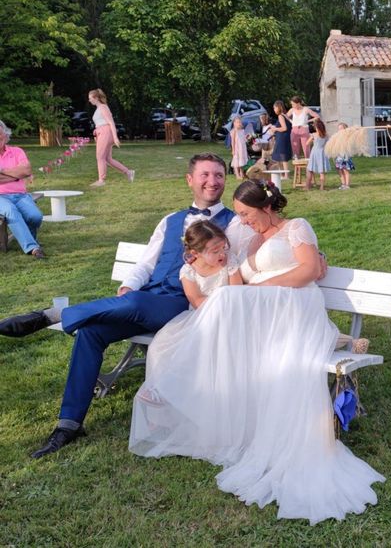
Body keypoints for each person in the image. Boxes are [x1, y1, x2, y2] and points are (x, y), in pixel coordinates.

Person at [129, 180, 383, 524]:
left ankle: (182, 387)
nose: (243, 220)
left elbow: (308, 270)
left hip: (295, 307)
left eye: (247, 213)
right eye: (240, 215)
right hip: (263, 315)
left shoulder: (296, 227)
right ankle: (191, 397)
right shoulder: (247, 237)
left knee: (225, 307)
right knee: (213, 317)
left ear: (266, 206)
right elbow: (227, 267)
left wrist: (265, 284)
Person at [0, 153, 250, 458]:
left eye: (219, 175)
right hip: (146, 300)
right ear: (190, 180)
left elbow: (243, 263)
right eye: (205, 175)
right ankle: (69, 424)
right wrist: (130, 283)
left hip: (185, 306)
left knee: (133, 302)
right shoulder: (171, 220)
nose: (213, 181)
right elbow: (146, 263)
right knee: (92, 331)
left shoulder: (235, 223)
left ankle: (52, 315)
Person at [0, 119, 45, 259]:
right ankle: (33, 248)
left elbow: (26, 170)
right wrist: (15, 175)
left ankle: (28, 240)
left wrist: (2, 170)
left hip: (20, 195)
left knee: (35, 216)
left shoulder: (17, 151)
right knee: (11, 211)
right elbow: (21, 173)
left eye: (0, 136)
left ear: (6, 136)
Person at [180, 221, 243, 309]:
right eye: (215, 251)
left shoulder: (229, 261)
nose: (222, 254)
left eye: (223, 247)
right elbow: (197, 302)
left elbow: (237, 291)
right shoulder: (188, 272)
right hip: (204, 313)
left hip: (231, 307)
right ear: (196, 253)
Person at [87, 88, 134, 188]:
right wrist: (96, 131)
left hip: (106, 133)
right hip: (102, 133)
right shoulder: (98, 108)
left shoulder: (103, 107)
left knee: (100, 157)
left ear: (96, 98)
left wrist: (115, 137)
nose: (89, 100)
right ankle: (128, 172)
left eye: (90, 98)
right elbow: (100, 123)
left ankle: (101, 180)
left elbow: (111, 122)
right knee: (107, 159)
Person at [246, 114, 275, 182]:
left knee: (268, 159)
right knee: (263, 158)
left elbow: (272, 136)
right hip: (265, 144)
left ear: (265, 119)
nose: (260, 121)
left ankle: (268, 169)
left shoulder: (270, 126)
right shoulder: (263, 127)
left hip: (269, 144)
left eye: (261, 119)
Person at [305, 118, 330, 190]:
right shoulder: (326, 135)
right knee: (321, 171)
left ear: (316, 127)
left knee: (310, 169)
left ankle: (308, 186)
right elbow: (327, 144)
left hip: (315, 153)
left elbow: (307, 144)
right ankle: (322, 187)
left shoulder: (314, 135)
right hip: (322, 153)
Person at [270, 100, 292, 172]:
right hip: (285, 137)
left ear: (278, 107)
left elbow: (284, 128)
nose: (274, 110)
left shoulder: (280, 116)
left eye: (274, 108)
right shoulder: (285, 115)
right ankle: (282, 173)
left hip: (282, 138)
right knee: (281, 156)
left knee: (282, 156)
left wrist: (275, 128)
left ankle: (285, 175)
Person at [334, 123, 355, 190]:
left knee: (345, 170)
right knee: (340, 170)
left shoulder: (347, 136)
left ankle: (347, 185)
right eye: (339, 128)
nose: (339, 130)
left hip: (345, 156)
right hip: (339, 156)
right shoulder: (337, 136)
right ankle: (343, 184)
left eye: (341, 128)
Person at [230, 116, 249, 180]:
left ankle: (242, 173)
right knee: (236, 161)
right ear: (234, 123)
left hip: (242, 149)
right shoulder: (234, 131)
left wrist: (248, 137)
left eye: (240, 122)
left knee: (242, 161)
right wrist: (233, 150)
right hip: (237, 149)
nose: (239, 123)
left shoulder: (242, 130)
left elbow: (244, 139)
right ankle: (237, 175)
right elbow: (233, 141)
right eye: (238, 122)